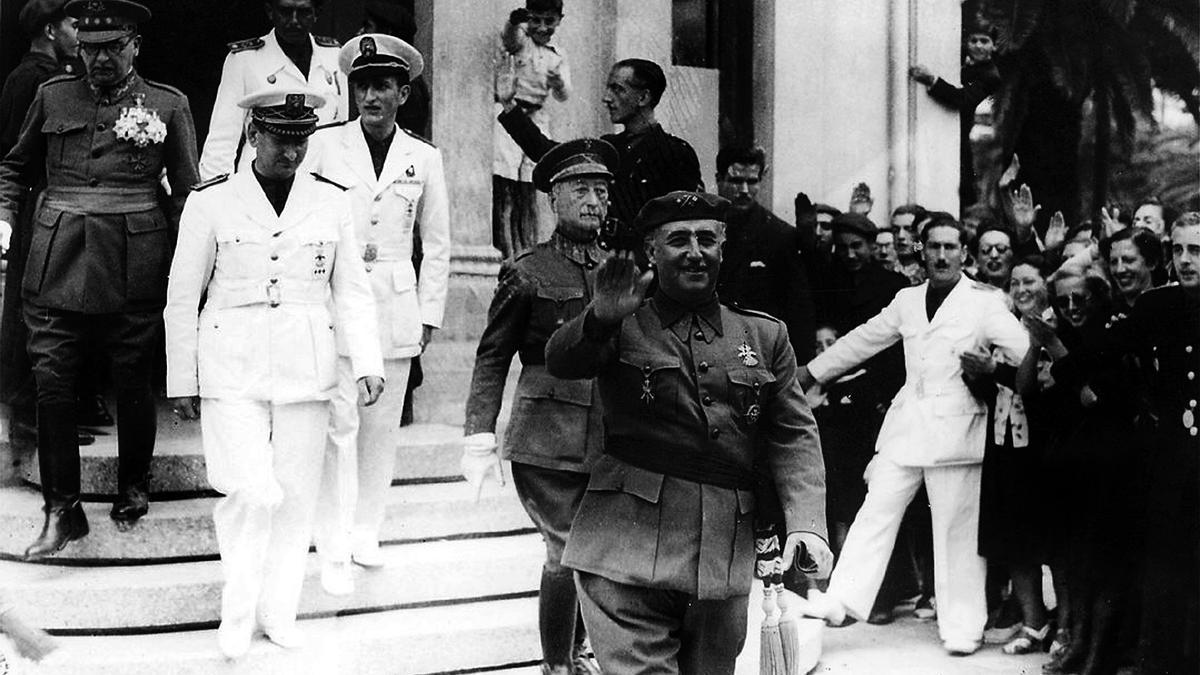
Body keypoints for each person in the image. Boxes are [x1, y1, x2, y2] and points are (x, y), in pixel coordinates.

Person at [544, 191, 831, 673]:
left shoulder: (763, 336)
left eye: (706, 239)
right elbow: (561, 360)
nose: (695, 252)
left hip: (722, 557)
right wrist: (597, 319)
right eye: (678, 240)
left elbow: (793, 436)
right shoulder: (620, 320)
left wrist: (807, 523)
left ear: (723, 249)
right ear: (651, 253)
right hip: (625, 549)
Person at [164, 89, 384, 660]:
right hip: (229, 366)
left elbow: (352, 292)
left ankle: (279, 612)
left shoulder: (332, 200)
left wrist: (367, 363)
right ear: (254, 136)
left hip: (306, 366)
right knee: (249, 492)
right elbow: (182, 298)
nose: (292, 152)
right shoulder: (212, 201)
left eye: (300, 140)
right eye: (281, 139)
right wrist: (181, 379)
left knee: (294, 499)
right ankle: (236, 616)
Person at [0, 0, 199, 558]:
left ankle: (133, 483)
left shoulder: (167, 103)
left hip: (135, 256)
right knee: (52, 379)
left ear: (137, 44)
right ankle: (61, 510)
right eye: (90, 47)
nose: (100, 59)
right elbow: (14, 168)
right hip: (56, 252)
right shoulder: (51, 96)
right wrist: (3, 220)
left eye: (113, 46)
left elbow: (187, 191)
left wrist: (186, 264)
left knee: (132, 376)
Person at [800, 214, 1030, 656]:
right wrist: (814, 370)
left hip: (959, 429)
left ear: (964, 253)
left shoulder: (985, 302)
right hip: (909, 425)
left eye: (950, 247)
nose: (942, 255)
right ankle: (843, 598)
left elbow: (1023, 354)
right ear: (921, 252)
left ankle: (963, 626)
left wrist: (991, 369)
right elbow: (865, 339)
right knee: (878, 505)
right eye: (934, 247)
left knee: (956, 531)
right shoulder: (906, 299)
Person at [462, 138, 618, 675]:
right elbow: (492, 356)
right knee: (566, 547)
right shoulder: (527, 270)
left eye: (601, 190)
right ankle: (558, 665)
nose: (594, 201)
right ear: (554, 199)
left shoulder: (619, 269)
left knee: (590, 549)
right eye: (581, 190)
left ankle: (576, 654)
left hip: (609, 434)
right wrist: (479, 434)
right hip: (546, 437)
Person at [302, 34, 450, 594]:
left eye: (382, 85)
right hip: (335, 300)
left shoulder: (424, 157)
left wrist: (429, 313)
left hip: (394, 301)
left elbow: (436, 243)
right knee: (338, 424)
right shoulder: (324, 146)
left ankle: (366, 531)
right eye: (362, 85)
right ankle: (333, 536)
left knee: (380, 430)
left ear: (402, 92)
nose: (371, 96)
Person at [0, 0, 79, 443]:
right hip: (36, 202)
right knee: (30, 309)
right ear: (51, 30)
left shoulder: (50, 76)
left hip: (49, 200)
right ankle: (26, 416)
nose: (78, 31)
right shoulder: (32, 80)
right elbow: (15, 152)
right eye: (72, 24)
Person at [497, 58, 702, 228]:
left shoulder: (676, 153)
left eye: (617, 89)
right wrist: (509, 105)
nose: (606, 98)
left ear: (644, 97)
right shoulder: (608, 148)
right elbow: (550, 154)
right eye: (608, 89)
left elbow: (685, 224)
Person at [1125, 213, 1199, 675]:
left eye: (1197, 251)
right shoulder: (1156, 305)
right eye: (1178, 250)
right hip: (1173, 456)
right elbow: (1112, 354)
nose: (1186, 260)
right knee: (1167, 565)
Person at [198, 0, 346, 180]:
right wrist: (218, 198)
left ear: (317, 13)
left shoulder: (333, 55)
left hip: (320, 181)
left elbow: (342, 129)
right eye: (285, 11)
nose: (294, 21)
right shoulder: (245, 59)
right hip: (261, 180)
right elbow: (222, 140)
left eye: (303, 12)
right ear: (270, 11)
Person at [714, 145, 816, 362]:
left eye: (752, 182)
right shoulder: (704, 229)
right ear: (718, 179)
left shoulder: (779, 235)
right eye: (735, 181)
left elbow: (798, 308)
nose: (744, 190)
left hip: (757, 354)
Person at [492, 0, 572, 258]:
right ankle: (507, 248)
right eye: (536, 20)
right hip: (510, 114)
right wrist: (515, 22)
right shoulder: (522, 42)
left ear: (559, 20)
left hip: (537, 118)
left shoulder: (558, 55)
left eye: (549, 21)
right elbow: (509, 38)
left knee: (530, 183)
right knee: (506, 182)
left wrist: (558, 81)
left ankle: (528, 248)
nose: (542, 27)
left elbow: (564, 94)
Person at [910, 19, 1001, 205]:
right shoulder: (967, 63)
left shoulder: (990, 75)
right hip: (946, 129)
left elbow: (962, 99)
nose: (978, 46)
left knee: (963, 184)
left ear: (994, 46)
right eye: (973, 41)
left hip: (968, 138)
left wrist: (932, 80)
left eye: (984, 41)